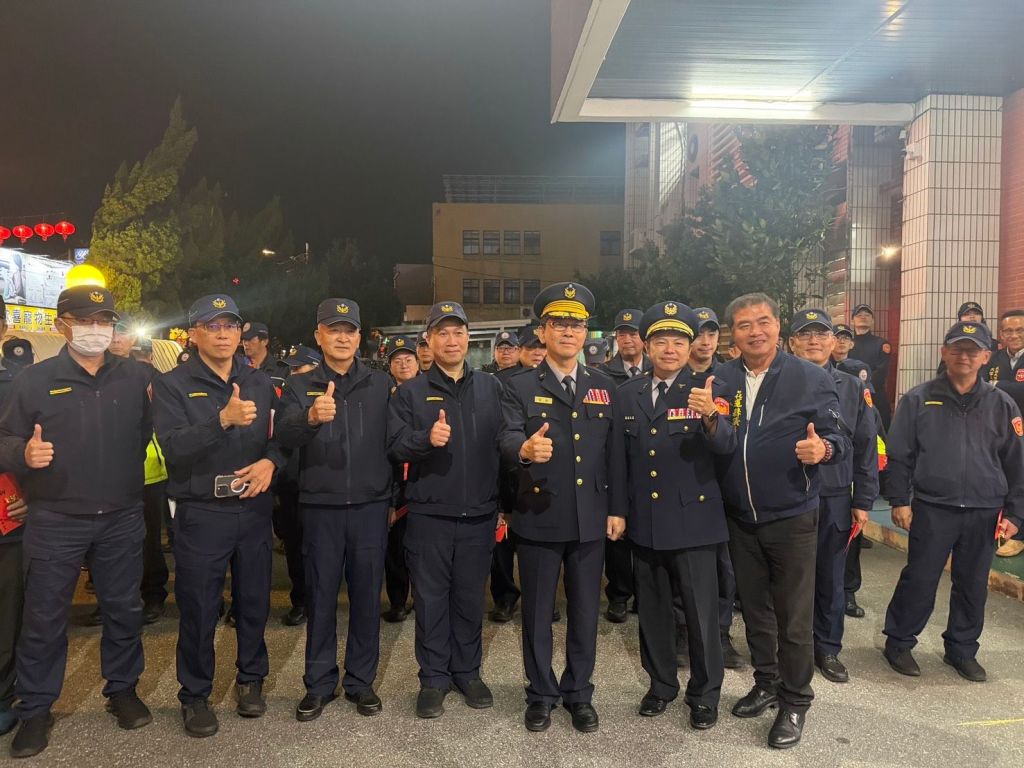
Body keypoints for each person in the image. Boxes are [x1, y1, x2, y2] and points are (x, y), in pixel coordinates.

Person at [0, 285, 154, 759]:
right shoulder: (34, 379)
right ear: (61, 325)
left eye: (104, 321)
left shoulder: (136, 377)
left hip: (121, 515)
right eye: (85, 320)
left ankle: (122, 690)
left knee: (124, 610)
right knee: (44, 618)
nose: (96, 329)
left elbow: (145, 433)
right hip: (55, 518)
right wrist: (23, 454)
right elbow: (5, 438)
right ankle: (36, 708)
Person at [715, 292, 850, 750]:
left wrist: (823, 449)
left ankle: (795, 700)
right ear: (733, 335)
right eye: (744, 324)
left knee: (793, 617)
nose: (755, 331)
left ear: (778, 327)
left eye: (763, 322)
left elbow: (839, 438)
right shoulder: (722, 378)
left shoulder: (809, 377)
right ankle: (766, 682)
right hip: (740, 518)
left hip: (792, 516)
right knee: (755, 612)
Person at [153, 294, 284, 738]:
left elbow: (279, 436)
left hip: (253, 508)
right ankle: (194, 694)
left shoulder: (259, 380)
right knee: (198, 606)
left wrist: (271, 462)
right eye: (212, 326)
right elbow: (173, 448)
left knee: (254, 600)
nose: (224, 334)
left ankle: (251, 678)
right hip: (202, 511)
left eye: (230, 325)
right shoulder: (172, 384)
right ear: (194, 334)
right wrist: (221, 421)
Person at [499, 282, 625, 734]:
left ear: (586, 332)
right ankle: (540, 693)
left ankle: (578, 692)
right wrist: (524, 450)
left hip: (590, 517)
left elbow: (614, 455)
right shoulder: (518, 385)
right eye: (559, 323)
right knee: (536, 613)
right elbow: (507, 436)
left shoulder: (604, 386)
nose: (568, 331)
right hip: (539, 514)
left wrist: (617, 508)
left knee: (586, 611)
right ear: (543, 331)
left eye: (576, 324)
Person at [615, 301, 736, 731]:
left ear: (690, 347)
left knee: (702, 616)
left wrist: (710, 416)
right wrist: (619, 512)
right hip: (646, 522)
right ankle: (661, 685)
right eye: (662, 341)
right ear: (647, 346)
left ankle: (704, 694)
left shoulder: (709, 388)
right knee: (652, 613)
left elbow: (727, 445)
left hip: (694, 523)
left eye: (679, 342)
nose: (670, 349)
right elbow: (619, 459)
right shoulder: (628, 393)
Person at [882, 320, 1024, 682]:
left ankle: (961, 649)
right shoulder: (918, 399)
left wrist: (1015, 513)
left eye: (973, 350)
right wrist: (899, 500)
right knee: (920, 578)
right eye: (957, 348)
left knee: (972, 585)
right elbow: (899, 455)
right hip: (933, 507)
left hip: (984, 510)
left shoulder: (1002, 404)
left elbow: (1016, 463)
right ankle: (899, 642)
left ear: (986, 357)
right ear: (944, 352)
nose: (965, 355)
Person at [273, 300, 394, 721]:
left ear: (359, 337)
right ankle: (319, 683)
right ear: (318, 335)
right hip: (320, 508)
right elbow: (283, 434)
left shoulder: (380, 384)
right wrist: (309, 417)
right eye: (334, 329)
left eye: (350, 330)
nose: (342, 337)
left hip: (370, 508)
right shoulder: (299, 385)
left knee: (366, 598)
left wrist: (393, 499)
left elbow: (394, 442)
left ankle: (361, 682)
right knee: (321, 597)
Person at [388, 301, 504, 719]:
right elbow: (394, 446)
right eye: (442, 333)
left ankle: (467, 673)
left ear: (468, 338)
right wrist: (425, 439)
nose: (451, 340)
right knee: (431, 600)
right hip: (429, 516)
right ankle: (434, 678)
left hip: (479, 516)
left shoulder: (491, 388)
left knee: (470, 599)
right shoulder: (410, 392)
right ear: (429, 341)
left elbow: (505, 445)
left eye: (458, 332)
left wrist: (505, 507)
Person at [787, 309, 878, 684]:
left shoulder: (852, 387)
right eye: (805, 334)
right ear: (791, 343)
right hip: (788, 493)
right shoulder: (777, 383)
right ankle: (787, 648)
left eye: (821, 333)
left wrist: (863, 500)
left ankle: (827, 647)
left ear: (832, 341)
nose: (814, 340)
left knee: (830, 576)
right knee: (788, 577)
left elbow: (866, 445)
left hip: (835, 494)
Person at [678, 308, 743, 670]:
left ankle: (720, 633)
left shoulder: (730, 379)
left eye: (712, 334)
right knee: (682, 568)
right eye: (699, 334)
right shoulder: (672, 378)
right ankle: (682, 632)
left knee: (724, 569)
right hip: (683, 488)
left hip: (722, 486)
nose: (705, 342)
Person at [598, 308, 648, 623]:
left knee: (645, 532)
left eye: (634, 333)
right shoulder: (604, 374)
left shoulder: (657, 369)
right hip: (615, 459)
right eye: (622, 334)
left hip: (646, 460)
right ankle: (618, 594)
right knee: (615, 534)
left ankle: (645, 592)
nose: (628, 339)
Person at [275, 345, 323, 628]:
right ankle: (300, 600)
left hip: (320, 481)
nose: (292, 373)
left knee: (320, 549)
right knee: (295, 547)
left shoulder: (327, 392)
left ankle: (321, 600)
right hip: (291, 484)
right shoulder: (287, 393)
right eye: (291, 368)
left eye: (298, 367)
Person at [0, 297, 29, 738]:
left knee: (7, 614)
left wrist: (33, 495)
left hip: (7, 516)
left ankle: (4, 694)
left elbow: (44, 445)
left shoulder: (18, 385)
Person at [835, 357, 883, 616]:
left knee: (849, 546)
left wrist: (865, 497)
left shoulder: (866, 405)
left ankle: (848, 592)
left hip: (849, 486)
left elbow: (873, 446)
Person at [382, 336, 419, 622]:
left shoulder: (430, 393)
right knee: (394, 548)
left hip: (423, 481)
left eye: (408, 359)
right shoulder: (383, 397)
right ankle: (397, 601)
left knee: (422, 548)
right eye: (397, 360)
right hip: (394, 480)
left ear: (418, 363)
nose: (403, 364)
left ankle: (422, 597)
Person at [989, 309, 1024, 557]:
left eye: (1020, 330)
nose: (1014, 335)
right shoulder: (994, 358)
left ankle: (1019, 535)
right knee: (1006, 479)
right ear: (1001, 334)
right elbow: (979, 384)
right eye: (1008, 330)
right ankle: (1004, 530)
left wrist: (997, 385)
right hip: (1001, 430)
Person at [848, 304, 892, 427]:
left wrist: (862, 389)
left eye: (867, 315)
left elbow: (881, 373)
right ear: (852, 321)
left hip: (875, 398)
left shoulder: (881, 344)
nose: (863, 317)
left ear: (872, 321)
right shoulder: (846, 344)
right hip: (850, 398)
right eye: (859, 315)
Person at [242, 321, 290, 389]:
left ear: (264, 341)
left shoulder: (282, 370)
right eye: (244, 339)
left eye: (250, 339)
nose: (245, 343)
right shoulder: (237, 367)